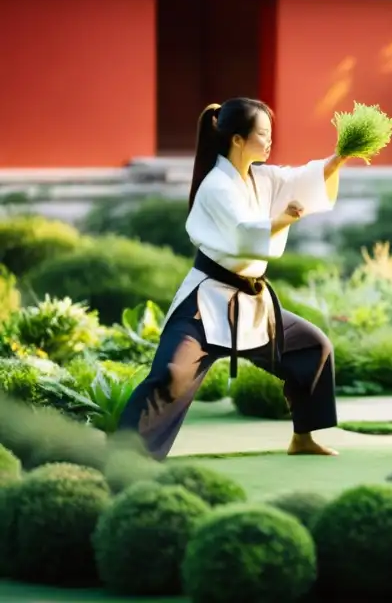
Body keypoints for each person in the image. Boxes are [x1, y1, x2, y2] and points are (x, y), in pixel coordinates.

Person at [120, 98, 347, 460]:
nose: (269, 141)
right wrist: (284, 220)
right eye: (262, 134)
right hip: (206, 302)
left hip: (252, 304)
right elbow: (244, 234)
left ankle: (303, 437)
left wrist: (340, 156)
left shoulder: (262, 177)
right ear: (238, 139)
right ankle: (127, 456)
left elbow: (302, 178)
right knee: (170, 374)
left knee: (313, 347)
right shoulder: (216, 185)